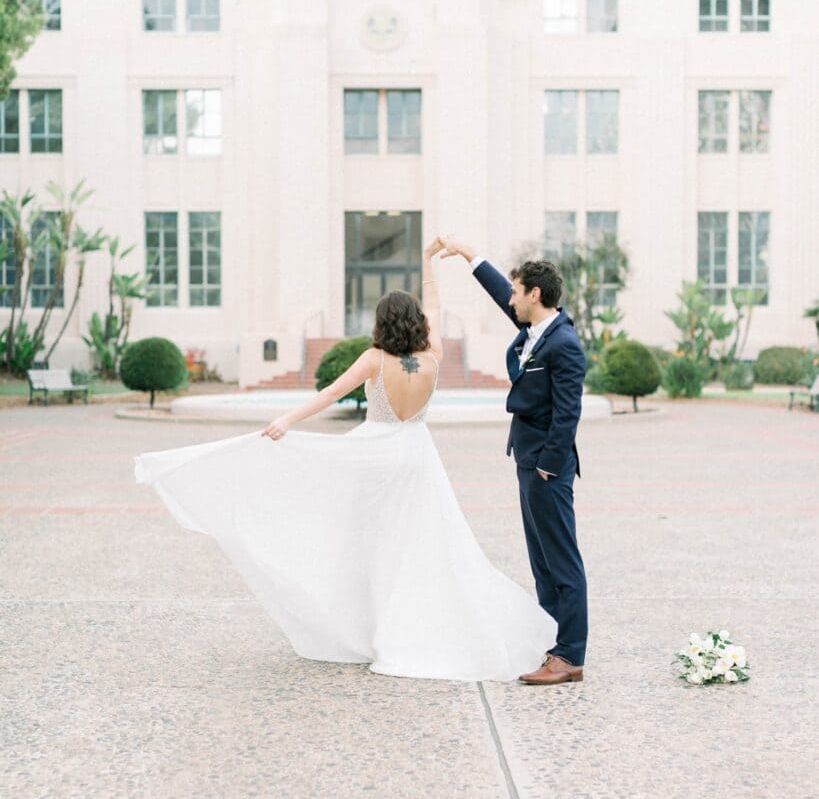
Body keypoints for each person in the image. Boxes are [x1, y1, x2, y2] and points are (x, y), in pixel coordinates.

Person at [135, 239, 556, 682]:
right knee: (418, 547)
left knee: (369, 546)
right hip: (416, 458)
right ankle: (409, 625)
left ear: (381, 323)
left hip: (374, 457)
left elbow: (330, 393)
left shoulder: (374, 359)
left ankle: (371, 629)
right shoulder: (433, 356)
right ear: (416, 324)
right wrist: (427, 262)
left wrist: (286, 421)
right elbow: (434, 305)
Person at [438, 235, 587, 686]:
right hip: (527, 459)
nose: (511, 298)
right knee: (541, 560)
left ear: (535, 295)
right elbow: (500, 290)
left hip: (547, 467)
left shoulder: (564, 344)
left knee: (561, 561)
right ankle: (549, 640)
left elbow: (568, 413)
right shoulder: (536, 329)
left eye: (517, 291)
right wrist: (470, 256)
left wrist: (547, 465)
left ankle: (569, 655)